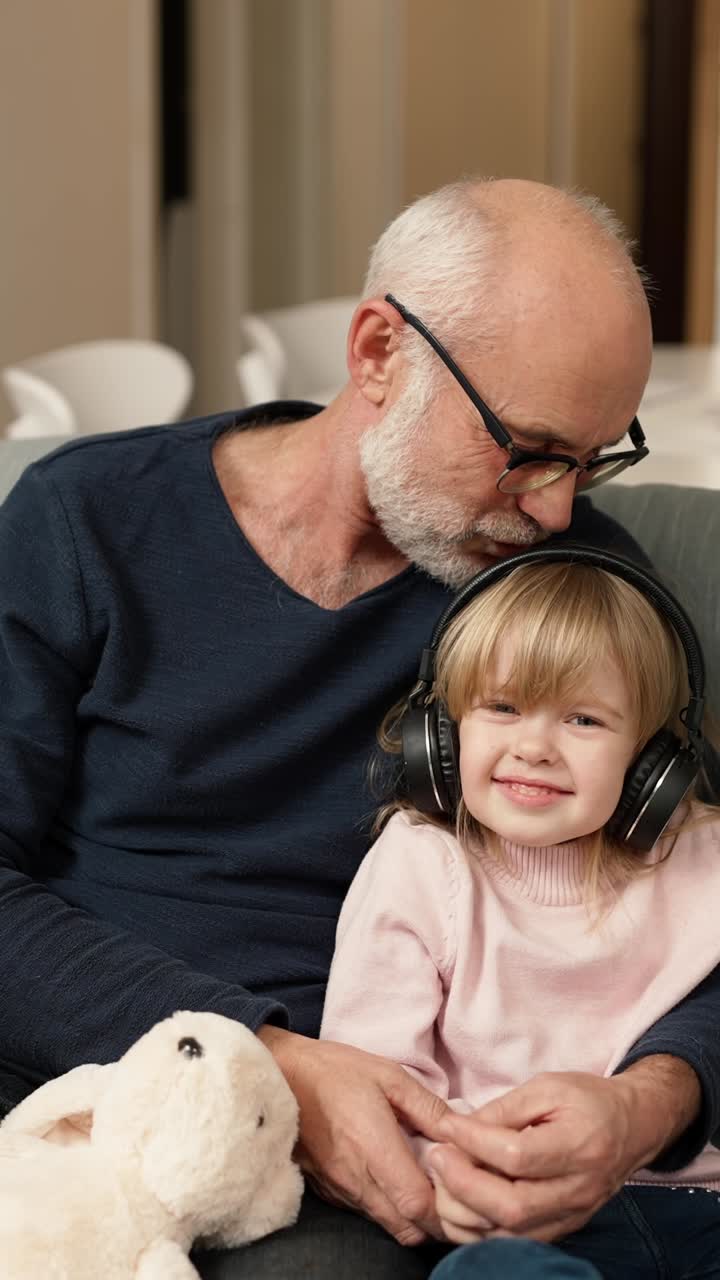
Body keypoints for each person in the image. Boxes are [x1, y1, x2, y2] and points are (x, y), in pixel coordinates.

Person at [0, 177, 718, 1280]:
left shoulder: (562, 590)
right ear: (381, 352)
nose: (557, 507)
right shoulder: (85, 519)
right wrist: (273, 1061)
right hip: (101, 1096)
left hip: (400, 1160)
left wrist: (648, 1104)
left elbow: (696, 895)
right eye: (528, 448)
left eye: (590, 459)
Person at [320, 547, 720, 1280]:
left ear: (650, 763)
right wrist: (453, 1184)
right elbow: (379, 1078)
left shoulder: (700, 851)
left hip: (701, 1201)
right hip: (518, 1214)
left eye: (584, 719)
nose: (534, 748)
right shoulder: (421, 866)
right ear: (442, 735)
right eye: (502, 707)